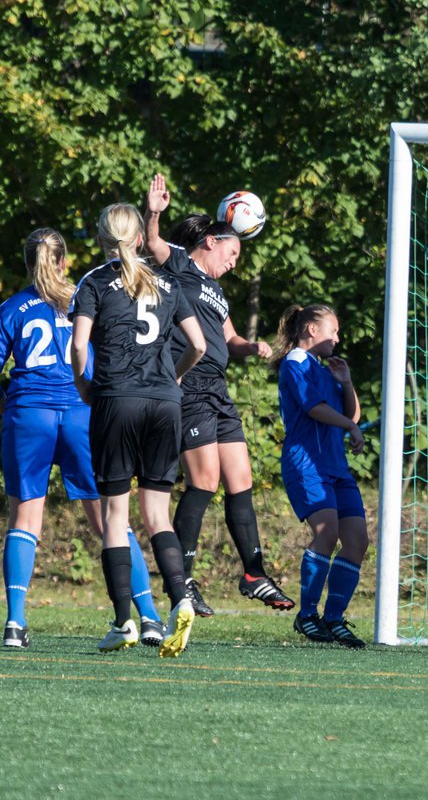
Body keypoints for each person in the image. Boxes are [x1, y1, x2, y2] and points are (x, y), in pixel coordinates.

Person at [0, 230, 165, 648]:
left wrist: (9, 404)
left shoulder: (12, 307)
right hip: (82, 412)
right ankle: (148, 617)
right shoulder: (88, 291)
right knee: (111, 519)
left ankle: (15, 625)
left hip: (28, 415)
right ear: (64, 261)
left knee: (25, 519)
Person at [141, 173, 294, 617]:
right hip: (187, 386)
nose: (235, 261)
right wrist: (155, 211)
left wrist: (254, 346)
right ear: (210, 241)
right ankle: (181, 580)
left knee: (240, 480)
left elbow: (228, 339)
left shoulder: (219, 291)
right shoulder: (181, 266)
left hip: (218, 390)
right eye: (233, 251)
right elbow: (152, 242)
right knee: (204, 480)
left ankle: (254, 573)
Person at [71, 203, 207, 657]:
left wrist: (84, 385)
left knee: (115, 516)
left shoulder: (93, 282)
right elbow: (200, 345)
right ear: (136, 238)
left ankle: (124, 622)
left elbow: (78, 344)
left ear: (103, 238)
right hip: (165, 403)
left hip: (117, 399)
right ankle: (179, 598)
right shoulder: (166, 280)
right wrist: (175, 379)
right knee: (157, 516)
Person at [274, 304, 368, 648]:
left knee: (357, 541)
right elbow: (314, 409)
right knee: (327, 534)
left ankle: (334, 618)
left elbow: (352, 413)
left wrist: (346, 382)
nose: (338, 338)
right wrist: (350, 428)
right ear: (312, 330)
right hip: (307, 463)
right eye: (334, 330)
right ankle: (308, 614)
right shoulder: (296, 362)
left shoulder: (325, 368)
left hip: (336, 467)